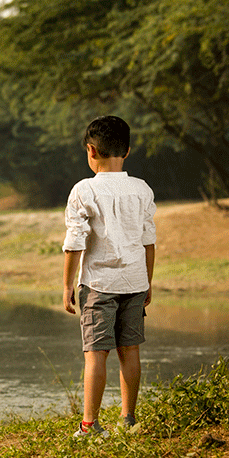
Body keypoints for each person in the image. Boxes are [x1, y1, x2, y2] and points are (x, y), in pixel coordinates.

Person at [62, 116, 156, 437]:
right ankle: (128, 419)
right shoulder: (141, 189)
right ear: (127, 151)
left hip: (99, 284)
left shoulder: (83, 190)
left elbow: (75, 243)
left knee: (96, 353)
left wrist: (66, 286)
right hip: (134, 281)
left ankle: (90, 425)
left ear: (91, 150)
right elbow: (148, 241)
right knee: (130, 350)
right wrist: (148, 282)